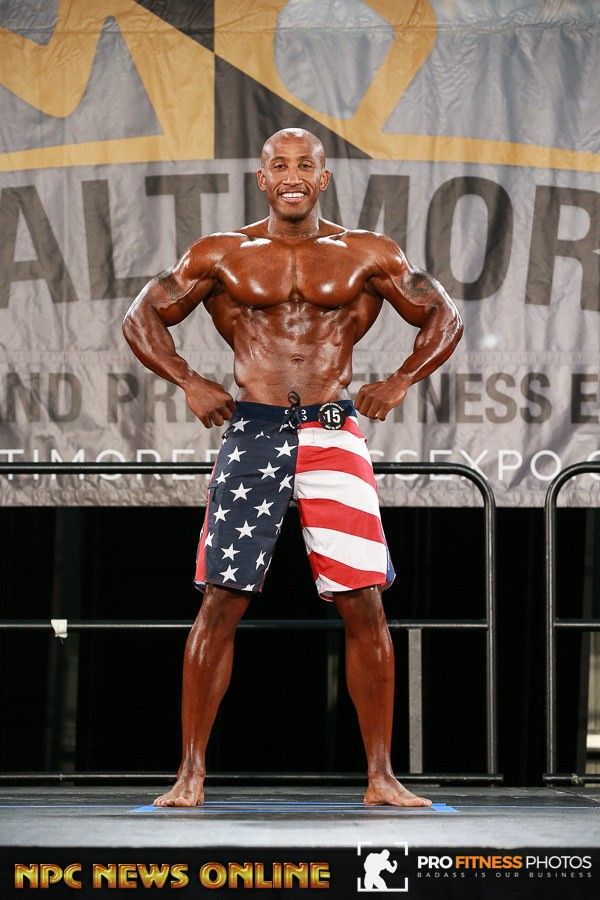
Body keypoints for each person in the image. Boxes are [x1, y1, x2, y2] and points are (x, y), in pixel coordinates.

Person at [122, 127, 463, 808]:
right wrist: (189, 379)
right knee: (222, 598)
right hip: (254, 429)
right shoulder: (222, 253)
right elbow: (141, 317)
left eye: (305, 164)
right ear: (263, 178)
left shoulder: (368, 252)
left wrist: (401, 379)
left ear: (323, 177)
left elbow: (443, 315)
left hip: (333, 431)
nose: (293, 175)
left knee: (364, 599)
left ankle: (380, 777)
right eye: (279, 165)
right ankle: (190, 773)